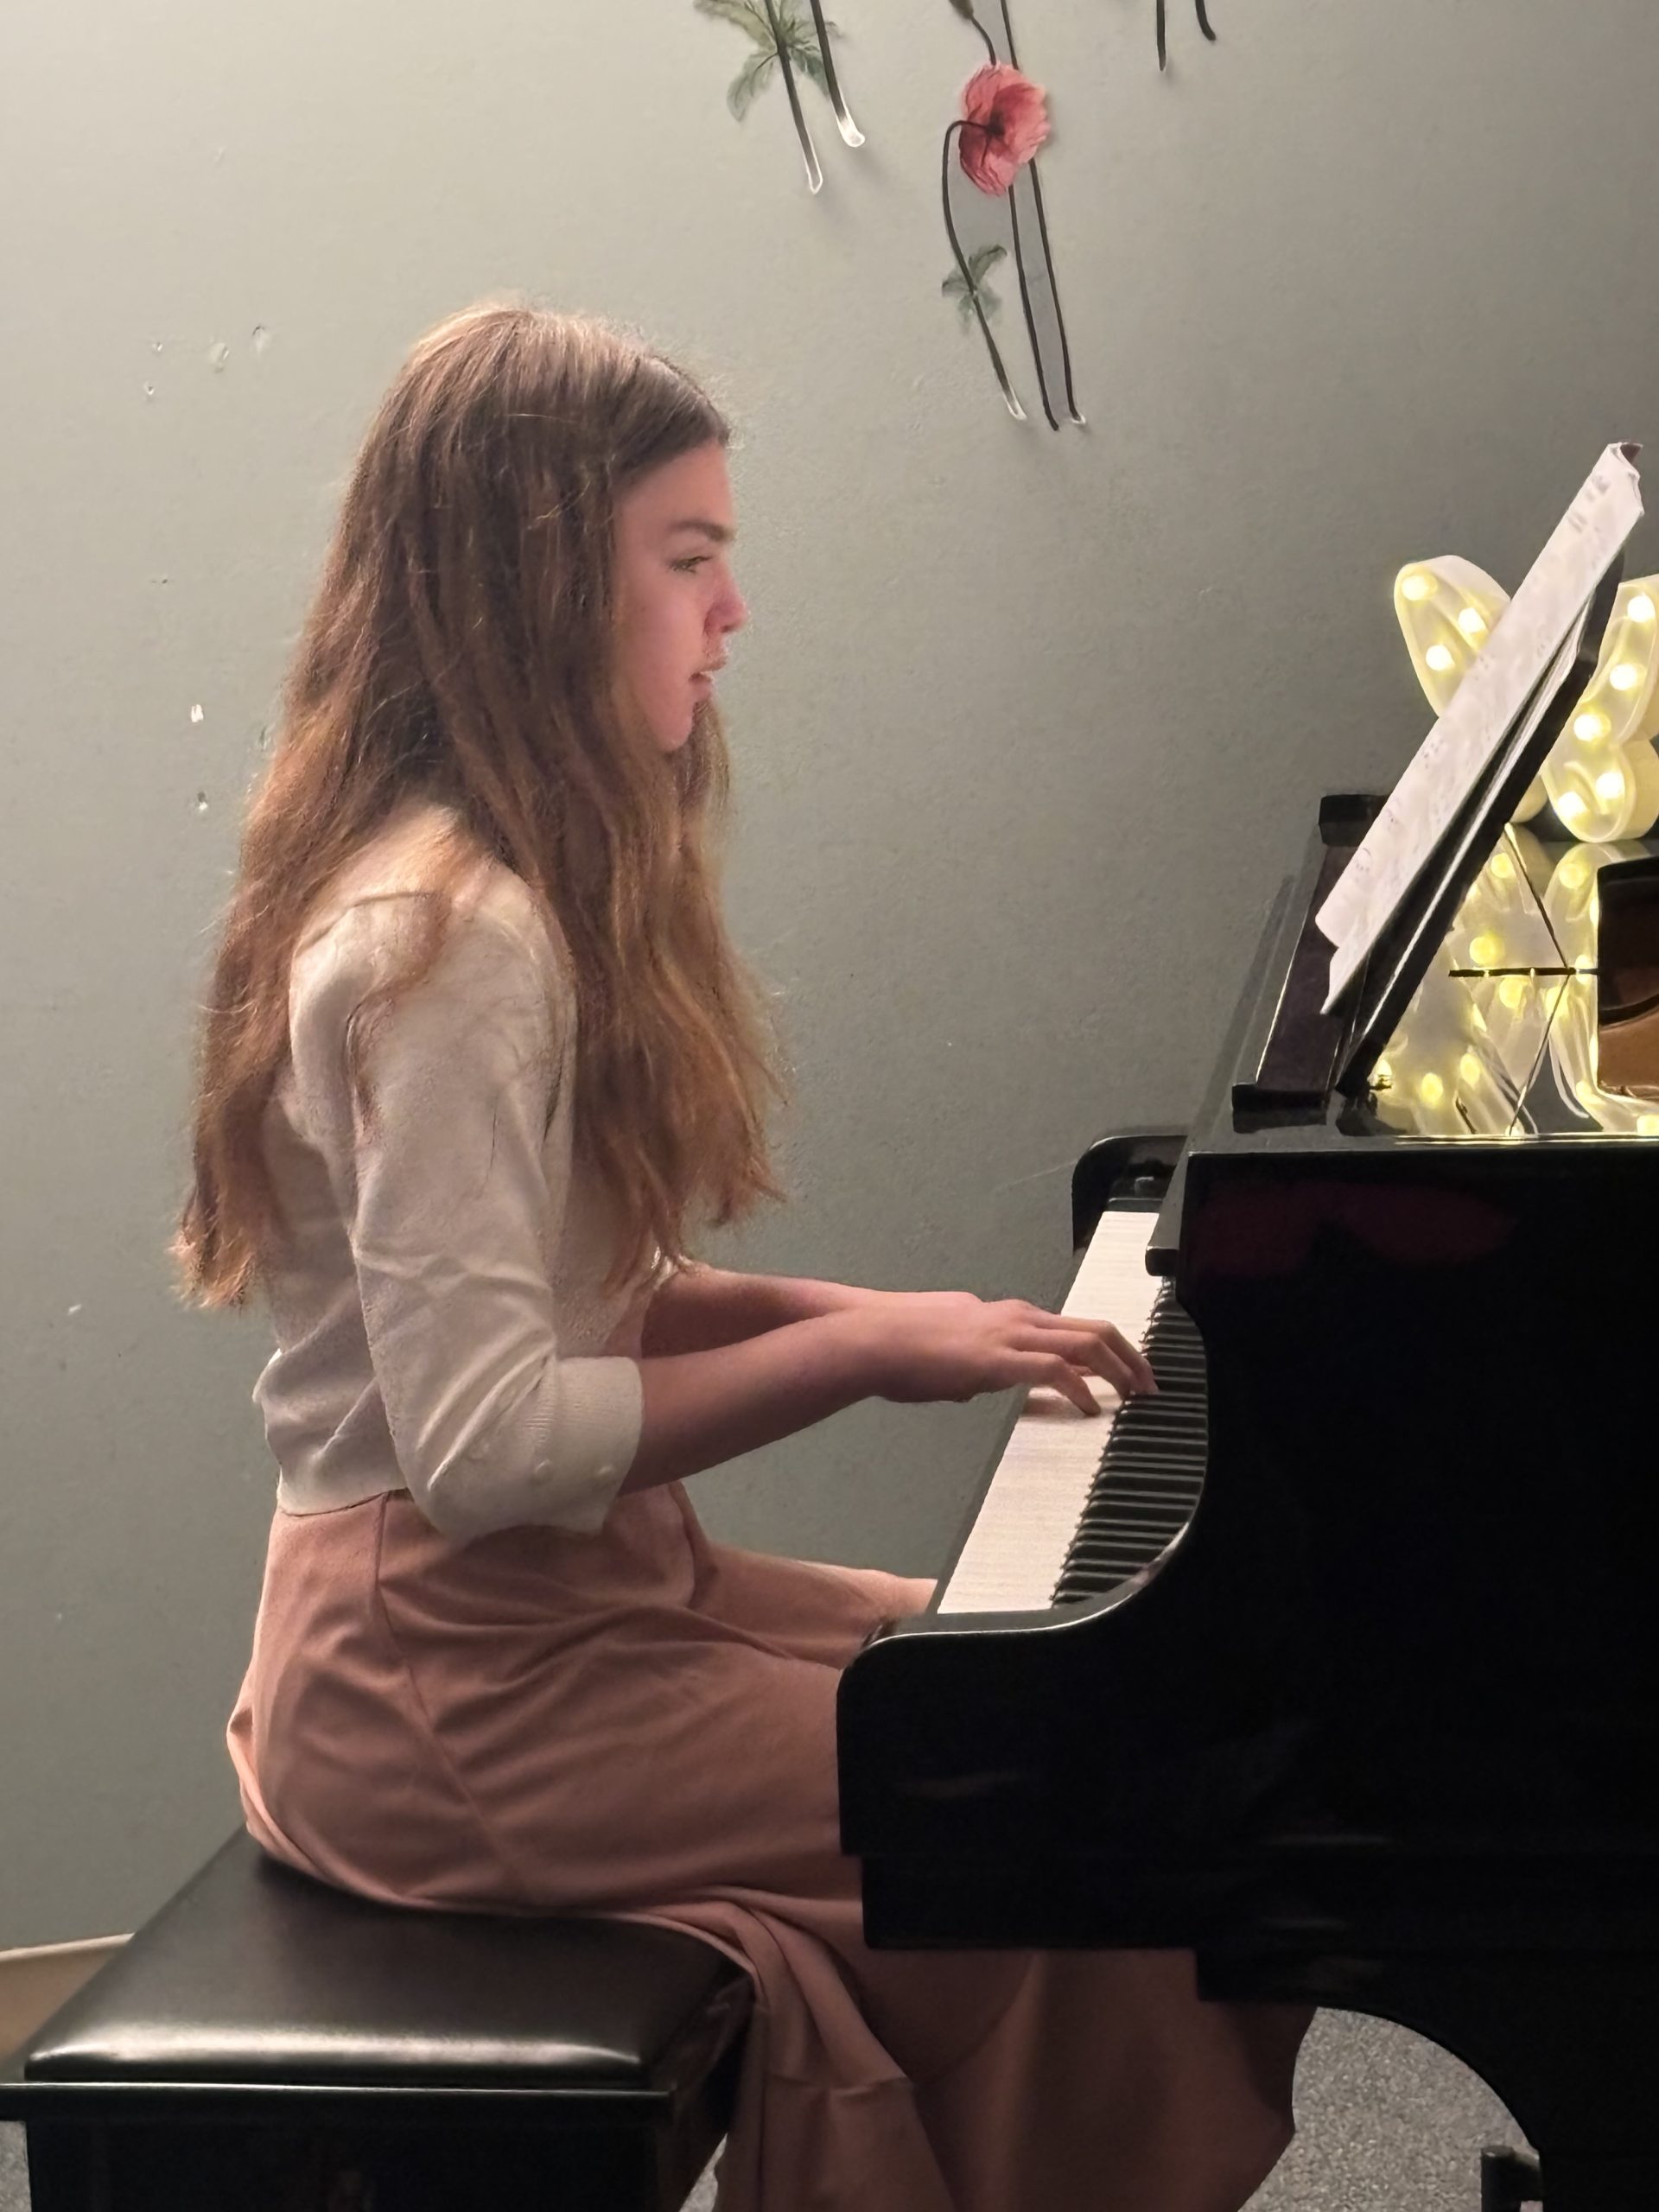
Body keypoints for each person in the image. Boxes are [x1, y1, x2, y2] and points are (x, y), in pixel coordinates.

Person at [172, 297, 1306, 2212]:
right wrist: (858, 1358)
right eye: (689, 559)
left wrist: (886, 1317)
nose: (733, 612)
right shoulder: (446, 948)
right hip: (448, 1689)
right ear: (543, 582)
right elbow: (484, 1444)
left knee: (1038, 1692)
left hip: (563, 1608)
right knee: (1042, 1780)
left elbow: (592, 1312)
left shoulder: (504, 896)